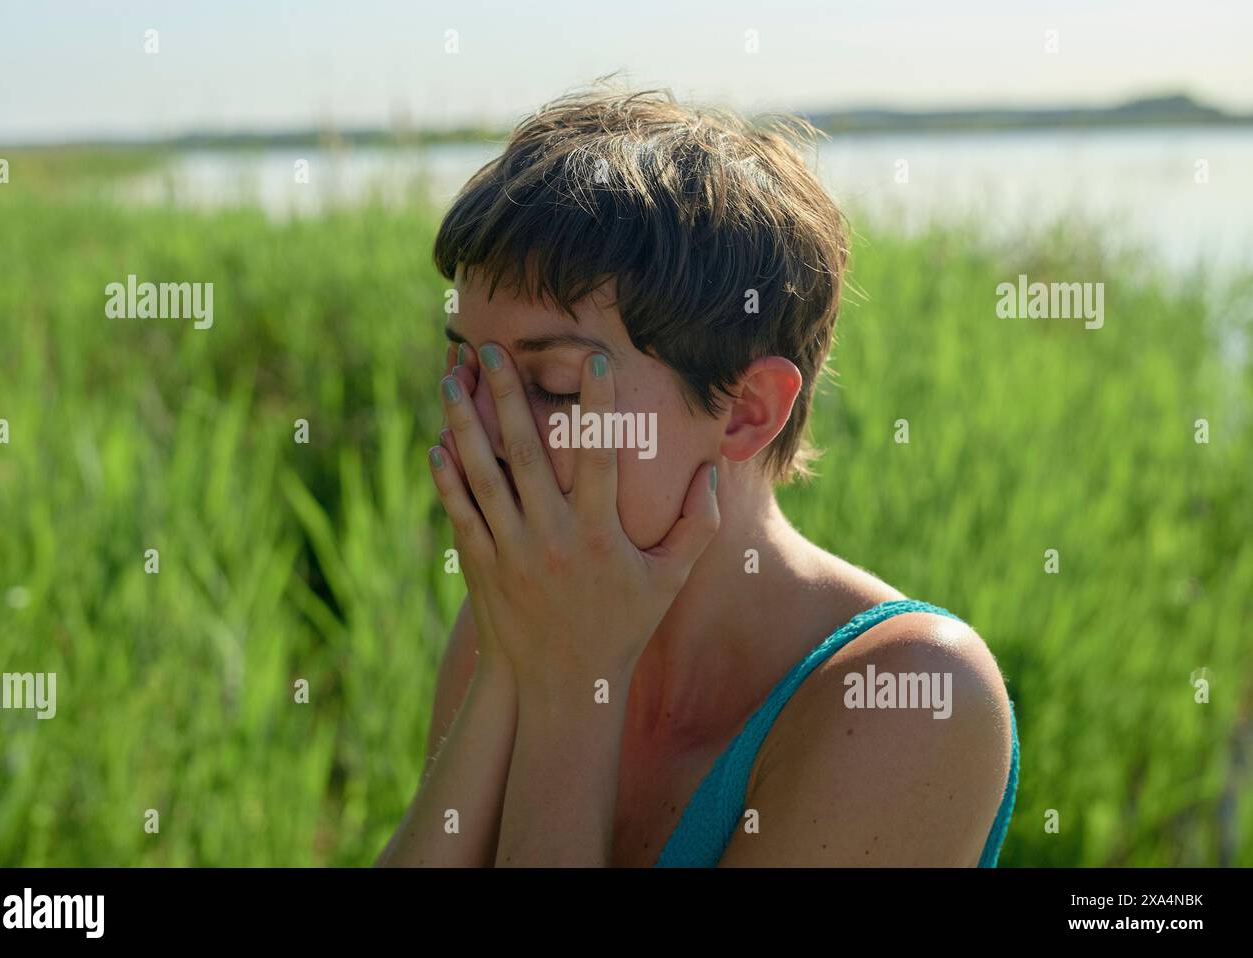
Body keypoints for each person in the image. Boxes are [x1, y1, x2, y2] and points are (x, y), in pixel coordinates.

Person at [376, 83, 1018, 867]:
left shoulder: (911, 695)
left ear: (748, 410)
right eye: (470, 369)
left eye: (551, 386)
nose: (485, 427)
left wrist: (572, 693)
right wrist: (519, 666)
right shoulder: (508, 625)